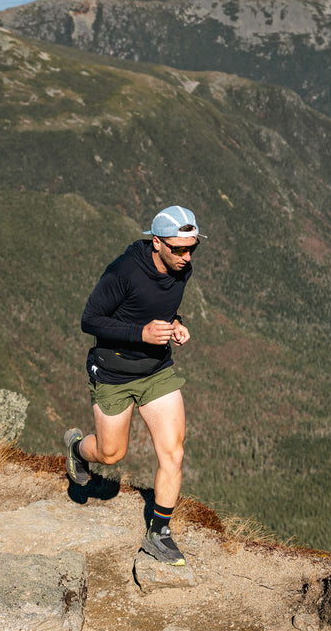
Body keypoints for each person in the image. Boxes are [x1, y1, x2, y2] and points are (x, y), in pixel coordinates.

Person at [64, 205, 205, 566]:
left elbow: (158, 307)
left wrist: (176, 324)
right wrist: (139, 333)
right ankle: (79, 449)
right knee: (111, 454)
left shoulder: (180, 269)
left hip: (157, 370)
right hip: (113, 372)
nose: (187, 257)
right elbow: (89, 320)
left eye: (193, 248)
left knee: (173, 453)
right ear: (156, 242)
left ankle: (159, 534)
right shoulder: (124, 271)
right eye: (179, 249)